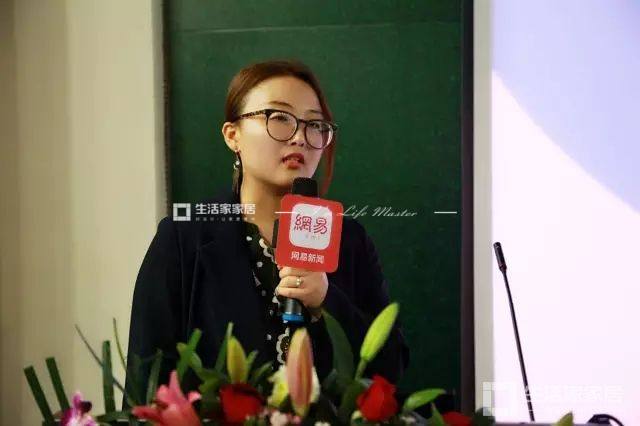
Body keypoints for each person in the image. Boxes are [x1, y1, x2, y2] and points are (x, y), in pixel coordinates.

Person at [125, 60, 409, 401]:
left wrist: (327, 301)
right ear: (233, 135)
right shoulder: (183, 238)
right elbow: (147, 382)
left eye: (314, 124)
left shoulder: (350, 241)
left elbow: (391, 370)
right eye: (280, 118)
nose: (300, 137)